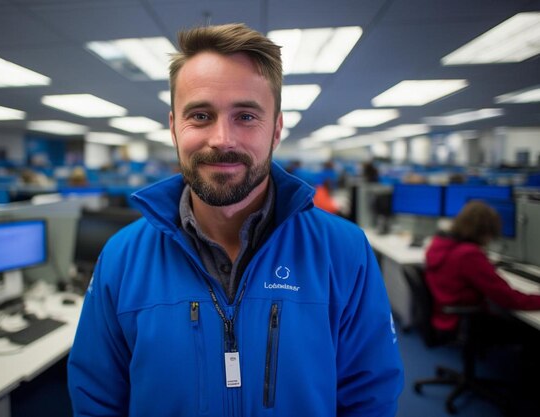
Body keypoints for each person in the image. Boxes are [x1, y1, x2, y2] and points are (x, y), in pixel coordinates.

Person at [68, 23, 403, 417]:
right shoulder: (121, 259)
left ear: (276, 130)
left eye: (245, 116)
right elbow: (96, 402)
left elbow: (370, 399)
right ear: (173, 127)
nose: (222, 138)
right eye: (201, 115)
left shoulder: (344, 252)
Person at [425, 200, 540, 335]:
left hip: (444, 313)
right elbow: (508, 298)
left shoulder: (440, 244)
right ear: (484, 231)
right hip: (463, 319)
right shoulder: (468, 254)